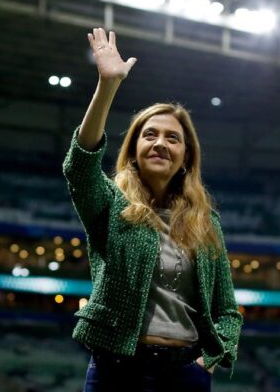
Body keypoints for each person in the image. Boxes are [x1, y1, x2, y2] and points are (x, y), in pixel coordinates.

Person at [62, 28, 243, 392]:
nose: (160, 143)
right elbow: (79, 167)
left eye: (172, 138)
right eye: (149, 135)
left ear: (186, 157)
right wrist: (107, 85)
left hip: (185, 374)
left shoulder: (207, 223)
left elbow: (226, 309)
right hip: (117, 370)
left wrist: (210, 360)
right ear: (133, 149)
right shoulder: (111, 206)